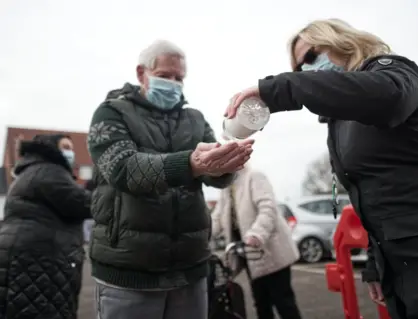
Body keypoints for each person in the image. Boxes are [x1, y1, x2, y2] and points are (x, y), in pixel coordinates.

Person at [224, 18, 418, 319]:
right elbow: (370, 196)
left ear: (342, 42)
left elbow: (387, 97)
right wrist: (376, 262)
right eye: (299, 69)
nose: (307, 70)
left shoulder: (393, 71)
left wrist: (281, 88)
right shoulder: (339, 123)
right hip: (405, 263)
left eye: (311, 56)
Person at [87, 39, 253, 319]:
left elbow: (217, 179)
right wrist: (190, 163)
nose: (174, 84)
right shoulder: (111, 112)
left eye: (179, 78)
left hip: (191, 272)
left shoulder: (195, 119)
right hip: (130, 274)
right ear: (142, 73)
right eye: (165, 76)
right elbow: (124, 170)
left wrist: (226, 162)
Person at [0, 134, 91, 319]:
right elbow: (83, 203)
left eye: (72, 148)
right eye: (65, 147)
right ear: (51, 148)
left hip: (27, 258)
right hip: (37, 262)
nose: (70, 152)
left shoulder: (31, 170)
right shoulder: (49, 170)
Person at [211, 166, 302, 319]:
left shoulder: (254, 176)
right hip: (250, 255)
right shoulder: (226, 188)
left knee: (284, 302)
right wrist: (201, 237)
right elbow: (218, 217)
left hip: (271, 251)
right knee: (261, 303)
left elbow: (268, 208)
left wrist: (257, 233)